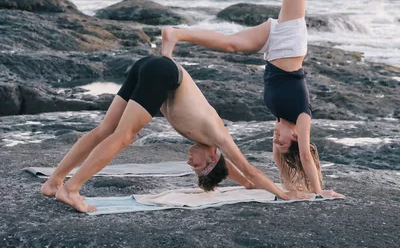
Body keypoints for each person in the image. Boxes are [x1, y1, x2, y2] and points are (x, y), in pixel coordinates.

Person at [162, 0, 343, 198]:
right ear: (296, 137)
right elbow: (303, 155)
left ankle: (177, 33)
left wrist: (288, 187)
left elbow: (282, 159)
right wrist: (318, 192)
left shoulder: (281, 119)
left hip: (272, 50)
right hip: (288, 46)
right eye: (280, 139)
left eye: (275, 141)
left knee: (232, 44)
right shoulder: (302, 117)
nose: (275, 138)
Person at [41, 55, 308, 212]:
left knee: (106, 130)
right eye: (199, 166)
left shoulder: (207, 144)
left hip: (151, 66)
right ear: (213, 158)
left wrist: (244, 184)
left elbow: (242, 179)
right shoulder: (219, 136)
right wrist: (284, 194)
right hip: (163, 71)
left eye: (194, 169)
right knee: (124, 136)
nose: (190, 164)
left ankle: (54, 182)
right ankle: (71, 188)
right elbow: (249, 173)